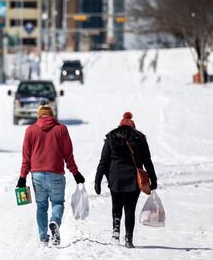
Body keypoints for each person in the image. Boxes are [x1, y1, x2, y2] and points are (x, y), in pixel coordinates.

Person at [17, 105, 85, 246]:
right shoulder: (61, 129)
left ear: (39, 115)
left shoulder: (30, 130)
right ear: (51, 115)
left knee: (41, 207)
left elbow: (26, 158)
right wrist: (76, 173)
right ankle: (54, 221)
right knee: (58, 203)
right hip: (56, 174)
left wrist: (22, 177)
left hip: (37, 175)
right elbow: (68, 155)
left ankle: (43, 238)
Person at [94, 112, 157, 248]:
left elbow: (104, 161)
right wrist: (153, 178)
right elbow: (147, 161)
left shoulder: (111, 137)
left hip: (115, 178)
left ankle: (115, 233)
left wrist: (97, 180)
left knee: (116, 206)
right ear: (133, 126)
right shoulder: (140, 138)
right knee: (130, 209)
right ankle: (129, 238)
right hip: (133, 179)